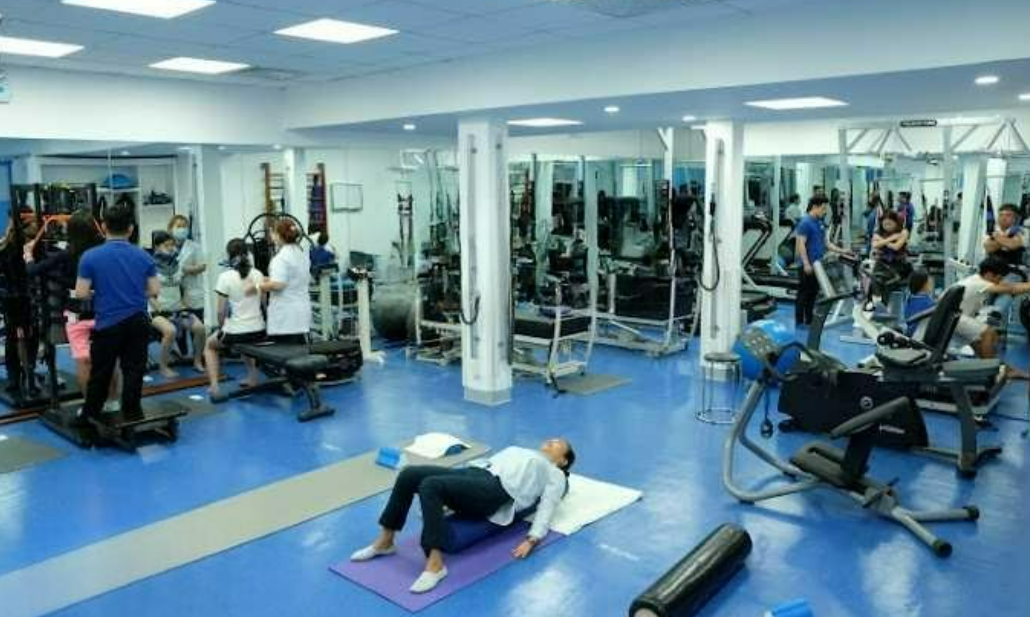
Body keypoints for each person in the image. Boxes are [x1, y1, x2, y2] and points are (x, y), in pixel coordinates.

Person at [351, 439, 576, 594]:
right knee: (409, 474)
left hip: (495, 490)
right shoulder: (522, 450)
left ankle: (435, 564)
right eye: (551, 439)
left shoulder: (555, 473)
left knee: (430, 485)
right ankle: (386, 541)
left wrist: (532, 539)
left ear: (563, 461)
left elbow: (548, 505)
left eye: (558, 443)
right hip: (475, 473)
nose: (551, 441)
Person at [75, 204, 160, 425]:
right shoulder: (144, 255)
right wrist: (133, 291)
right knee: (134, 371)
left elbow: (81, 293)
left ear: (104, 227)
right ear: (130, 228)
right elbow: (154, 290)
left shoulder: (90, 256)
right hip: (138, 322)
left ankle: (90, 415)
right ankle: (132, 413)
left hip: (108, 324)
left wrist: (104, 291)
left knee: (101, 372)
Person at [24, 210, 119, 404]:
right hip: (105, 313)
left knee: (84, 362)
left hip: (79, 315)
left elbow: (32, 270)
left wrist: (28, 255)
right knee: (109, 360)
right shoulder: (105, 252)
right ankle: (113, 403)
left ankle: (91, 408)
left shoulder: (67, 254)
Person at [204, 239, 265, 398]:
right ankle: (252, 378)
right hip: (259, 330)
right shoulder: (258, 274)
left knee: (210, 346)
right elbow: (264, 304)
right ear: (247, 253)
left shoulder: (225, 277)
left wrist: (220, 328)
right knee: (246, 343)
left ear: (229, 255)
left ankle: (214, 386)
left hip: (236, 332)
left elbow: (221, 312)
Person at [954, 256, 1030, 374]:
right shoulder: (980, 283)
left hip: (958, 318)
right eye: (999, 278)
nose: (1000, 281)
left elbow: (1010, 285)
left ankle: (1003, 370)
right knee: (988, 333)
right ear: (989, 274)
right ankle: (992, 372)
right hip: (954, 318)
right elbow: (1012, 289)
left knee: (988, 339)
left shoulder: (978, 279)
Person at [150, 231, 206, 377]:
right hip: (157, 312)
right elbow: (147, 294)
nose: (171, 248)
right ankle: (163, 367)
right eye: (166, 245)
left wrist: (184, 304)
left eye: (172, 245)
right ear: (157, 247)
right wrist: (159, 307)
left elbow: (184, 284)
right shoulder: (150, 266)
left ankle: (197, 361)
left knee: (200, 328)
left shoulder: (178, 264)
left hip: (177, 309)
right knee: (170, 331)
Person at [794, 195, 853, 326]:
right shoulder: (805, 222)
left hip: (818, 265)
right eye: (823, 208)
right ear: (815, 207)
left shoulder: (819, 223)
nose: (825, 211)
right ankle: (799, 321)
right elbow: (800, 244)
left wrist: (844, 251)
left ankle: (809, 319)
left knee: (813, 293)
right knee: (804, 293)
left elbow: (827, 243)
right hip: (807, 265)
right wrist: (806, 264)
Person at [257, 218, 311, 344]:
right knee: (299, 350)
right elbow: (292, 278)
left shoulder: (281, 258)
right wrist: (265, 279)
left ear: (278, 235)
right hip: (301, 311)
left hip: (287, 316)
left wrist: (256, 286)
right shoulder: (300, 253)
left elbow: (278, 285)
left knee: (286, 352)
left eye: (273, 232)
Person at [982, 203, 1026, 318]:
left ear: (1015, 219)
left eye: (1008, 215)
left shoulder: (1022, 232)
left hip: (1012, 271)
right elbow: (988, 247)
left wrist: (997, 237)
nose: (1003, 218)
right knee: (982, 292)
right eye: (1001, 215)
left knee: (1005, 291)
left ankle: (995, 315)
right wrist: (1003, 240)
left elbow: (1012, 244)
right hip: (993, 271)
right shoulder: (995, 232)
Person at [871, 210, 912, 286]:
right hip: (882, 264)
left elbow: (896, 247)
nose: (887, 226)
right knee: (876, 283)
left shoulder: (904, 232)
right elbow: (875, 245)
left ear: (896, 222)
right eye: (885, 224)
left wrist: (881, 240)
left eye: (889, 224)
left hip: (898, 265)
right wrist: (891, 238)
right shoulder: (878, 232)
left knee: (893, 284)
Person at [904, 270, 935, 337]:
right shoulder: (928, 304)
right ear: (924, 284)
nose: (932, 285)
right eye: (929, 283)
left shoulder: (909, 300)